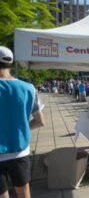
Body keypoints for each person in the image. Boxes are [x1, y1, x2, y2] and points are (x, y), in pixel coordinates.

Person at [0, 46, 45, 198]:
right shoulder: (29, 88)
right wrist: (21, 128)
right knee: (24, 192)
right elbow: (40, 121)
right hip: (20, 150)